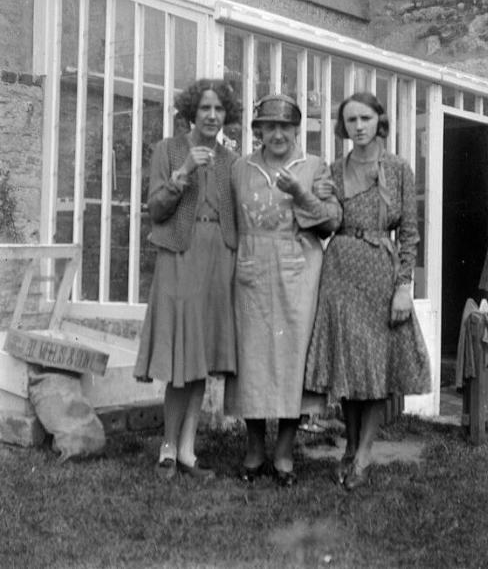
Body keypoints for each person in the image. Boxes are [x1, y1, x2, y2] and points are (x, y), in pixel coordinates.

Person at [305, 91, 431, 491]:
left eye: (365, 118)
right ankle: (349, 447)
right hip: (340, 269)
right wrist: (319, 200)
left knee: (374, 364)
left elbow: (409, 232)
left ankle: (363, 453)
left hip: (380, 269)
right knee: (349, 362)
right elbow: (326, 223)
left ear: (380, 120)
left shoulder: (398, 168)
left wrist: (403, 287)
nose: (358, 127)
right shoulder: (333, 168)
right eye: (351, 121)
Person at [224, 93, 342, 486]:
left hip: (298, 271)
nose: (277, 134)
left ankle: (285, 452)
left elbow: (330, 223)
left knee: (293, 361)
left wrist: (300, 192)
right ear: (258, 130)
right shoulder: (241, 168)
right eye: (269, 126)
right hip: (252, 271)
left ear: (297, 130)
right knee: (252, 360)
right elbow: (229, 223)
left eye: (285, 127)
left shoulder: (313, 167)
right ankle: (255, 450)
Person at [134, 78, 240, 480]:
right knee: (182, 354)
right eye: (205, 109)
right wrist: (184, 171)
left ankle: (188, 450)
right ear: (191, 112)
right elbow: (156, 209)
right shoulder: (169, 150)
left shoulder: (232, 161)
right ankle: (166, 447)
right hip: (181, 254)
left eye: (219, 110)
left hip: (219, 258)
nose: (212, 116)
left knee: (201, 356)